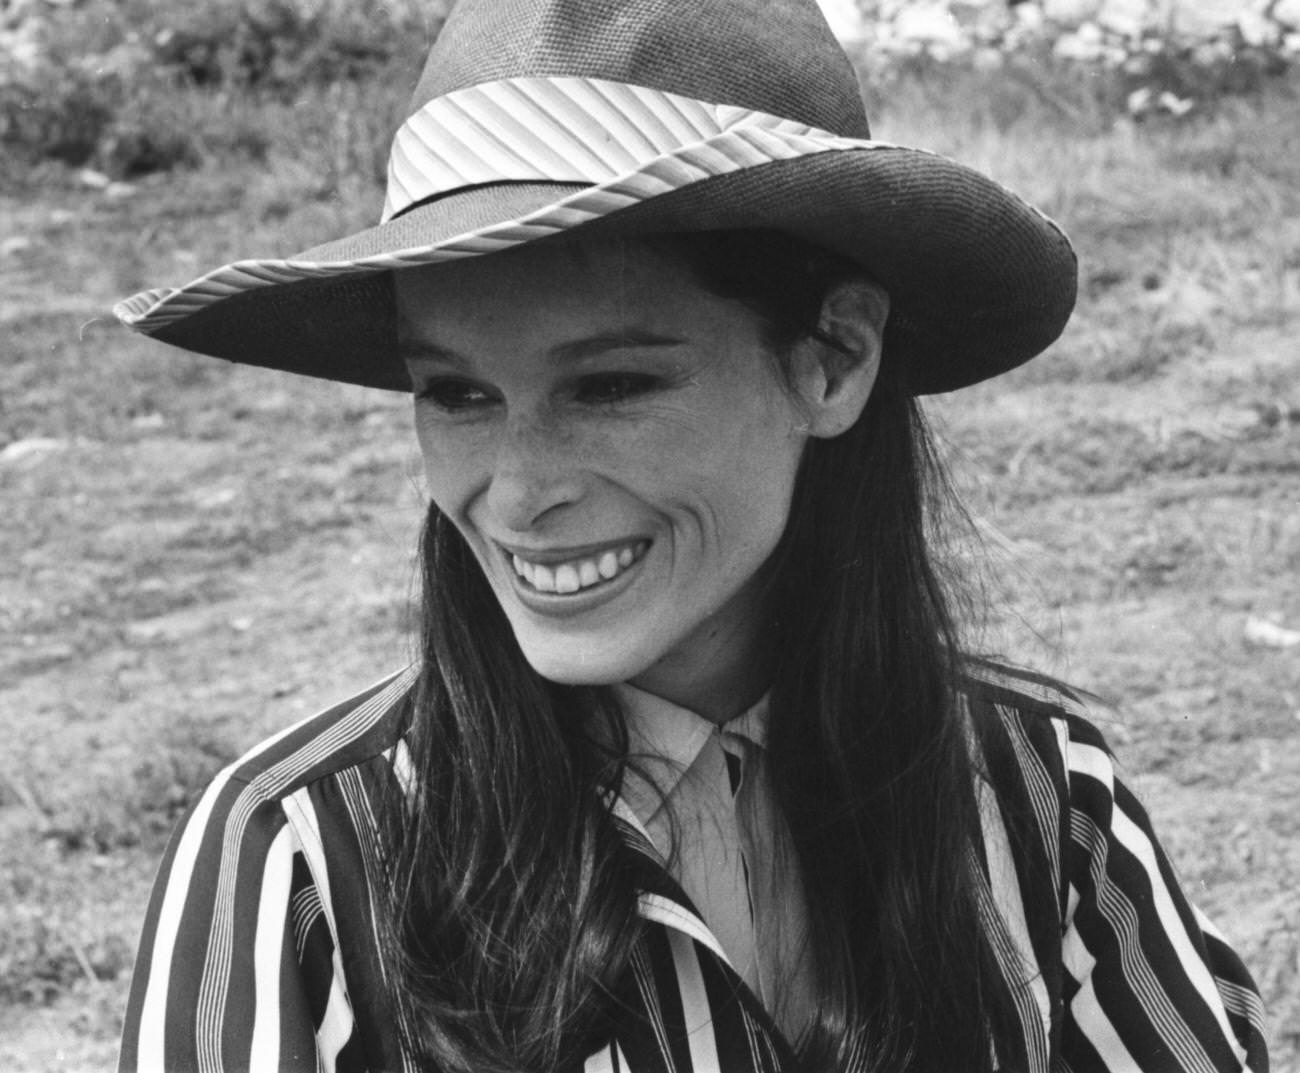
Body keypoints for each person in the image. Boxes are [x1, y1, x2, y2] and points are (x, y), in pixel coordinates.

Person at [112, 0, 1269, 1070]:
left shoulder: (1036, 796)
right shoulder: (299, 859)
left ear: (834, 359)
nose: (518, 494)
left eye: (609, 385)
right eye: (457, 395)